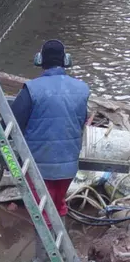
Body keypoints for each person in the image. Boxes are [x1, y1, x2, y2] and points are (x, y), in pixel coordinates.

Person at [10, 39, 90, 261]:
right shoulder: (82, 89)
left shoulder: (31, 89)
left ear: (40, 61)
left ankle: (44, 258)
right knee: (58, 205)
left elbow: (13, 123)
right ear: (65, 62)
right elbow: (81, 120)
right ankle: (63, 252)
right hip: (68, 165)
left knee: (42, 211)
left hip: (39, 166)